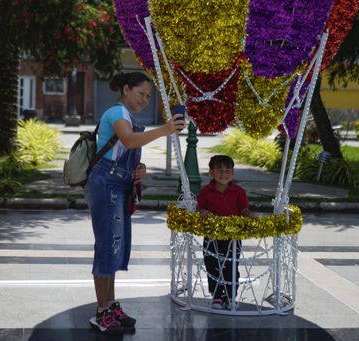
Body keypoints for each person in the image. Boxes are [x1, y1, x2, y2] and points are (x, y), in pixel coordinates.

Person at [85, 71, 186, 334]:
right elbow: (128, 140)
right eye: (141, 94)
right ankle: (100, 312)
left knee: (115, 247)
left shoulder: (128, 116)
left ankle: (109, 306)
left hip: (118, 185)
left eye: (148, 96)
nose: (144, 99)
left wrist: (139, 168)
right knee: (107, 247)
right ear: (126, 90)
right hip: (105, 185)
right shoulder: (116, 113)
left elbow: (126, 151)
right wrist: (165, 129)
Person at [197, 154, 257, 310]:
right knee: (212, 265)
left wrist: (249, 214)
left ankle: (230, 296)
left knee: (231, 266)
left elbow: (244, 209)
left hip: (233, 236)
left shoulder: (238, 192)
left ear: (233, 173)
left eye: (228, 170)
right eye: (219, 170)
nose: (224, 173)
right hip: (212, 236)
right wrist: (202, 211)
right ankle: (217, 296)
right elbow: (200, 208)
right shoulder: (206, 191)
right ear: (211, 172)